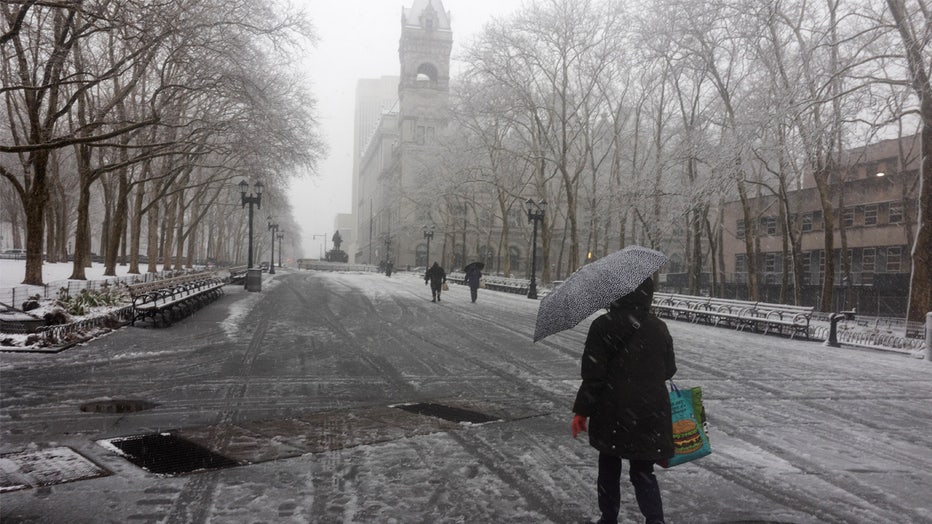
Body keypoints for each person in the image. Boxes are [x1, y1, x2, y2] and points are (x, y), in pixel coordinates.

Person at [571, 277, 676, 524]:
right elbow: (669, 370)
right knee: (643, 469)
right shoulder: (658, 326)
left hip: (612, 410)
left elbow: (593, 375)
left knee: (609, 464)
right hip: (650, 411)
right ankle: (655, 519)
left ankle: (608, 517)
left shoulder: (602, 325)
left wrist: (581, 412)